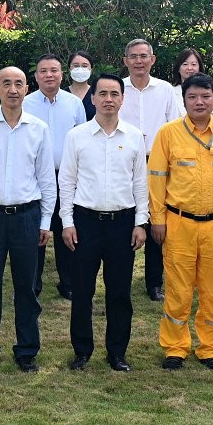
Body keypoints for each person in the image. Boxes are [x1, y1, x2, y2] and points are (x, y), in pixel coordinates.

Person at [147, 73, 213, 371]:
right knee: (178, 290)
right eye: (192, 97)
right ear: (184, 100)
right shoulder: (168, 133)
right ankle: (175, 348)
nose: (199, 102)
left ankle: (210, 348)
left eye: (205, 96)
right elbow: (156, 179)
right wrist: (157, 219)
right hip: (179, 223)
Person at [0, 66, 54, 374]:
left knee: (27, 288)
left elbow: (46, 179)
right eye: (6, 83)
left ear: (27, 89)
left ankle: (27, 350)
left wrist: (45, 221)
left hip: (27, 217)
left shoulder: (39, 129)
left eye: (18, 83)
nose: (13, 89)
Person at [59, 74, 147, 372]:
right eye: (103, 94)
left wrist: (141, 222)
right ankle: (82, 351)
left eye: (114, 94)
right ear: (93, 98)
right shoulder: (77, 136)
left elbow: (140, 183)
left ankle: (117, 352)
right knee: (82, 290)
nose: (109, 99)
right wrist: (67, 222)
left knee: (119, 292)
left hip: (122, 223)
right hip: (85, 222)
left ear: (122, 99)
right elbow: (67, 181)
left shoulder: (134, 136)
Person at [120, 38, 185, 301]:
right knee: (127, 218)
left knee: (157, 219)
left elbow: (176, 125)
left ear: (152, 60)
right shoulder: (118, 89)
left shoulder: (166, 89)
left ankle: (154, 282)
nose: (139, 61)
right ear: (126, 61)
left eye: (143, 56)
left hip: (158, 162)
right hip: (124, 162)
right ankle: (121, 279)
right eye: (133, 56)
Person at [23, 54, 87, 300]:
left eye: (54, 70)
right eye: (43, 71)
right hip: (33, 177)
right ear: (36, 76)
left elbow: (82, 139)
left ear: (62, 74)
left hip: (66, 176)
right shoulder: (25, 103)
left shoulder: (74, 104)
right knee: (33, 231)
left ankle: (68, 282)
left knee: (66, 229)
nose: (49, 75)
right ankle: (32, 284)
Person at [68, 51, 97, 120]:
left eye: (85, 66)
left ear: (91, 70)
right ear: (69, 69)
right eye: (76, 66)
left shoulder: (97, 93)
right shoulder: (61, 95)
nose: (80, 69)